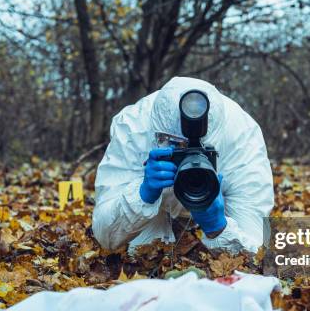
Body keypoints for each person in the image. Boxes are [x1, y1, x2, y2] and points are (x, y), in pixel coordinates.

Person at [92, 77, 273, 253]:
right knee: (140, 251)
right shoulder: (133, 127)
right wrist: (142, 195)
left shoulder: (242, 137)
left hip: (221, 196)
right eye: (176, 146)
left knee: (238, 261)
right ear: (157, 135)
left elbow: (257, 251)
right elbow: (105, 237)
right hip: (157, 211)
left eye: (199, 151)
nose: (189, 162)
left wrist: (218, 227)